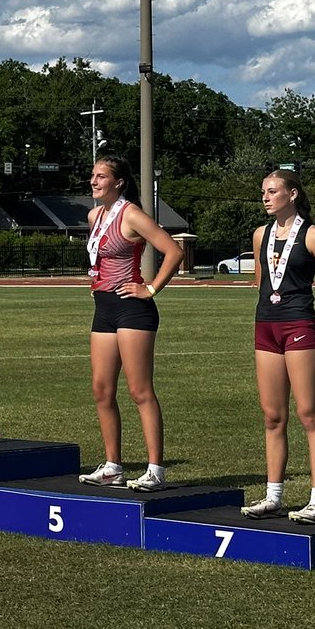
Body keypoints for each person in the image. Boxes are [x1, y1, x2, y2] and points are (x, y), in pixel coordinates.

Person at [240, 170, 315, 524]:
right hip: (266, 327)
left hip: (300, 326)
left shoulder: (313, 235)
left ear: (293, 194)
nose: (266, 197)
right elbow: (262, 283)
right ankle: (273, 497)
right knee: (272, 416)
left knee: (309, 415)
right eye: (263, 192)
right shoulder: (260, 235)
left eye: (272, 191)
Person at [78, 154, 183, 491]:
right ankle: (112, 466)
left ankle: (155, 469)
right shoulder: (95, 215)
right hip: (104, 308)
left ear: (119, 182)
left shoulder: (132, 214)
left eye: (101, 176)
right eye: (92, 176)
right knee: (101, 389)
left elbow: (174, 250)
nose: (94, 181)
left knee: (139, 390)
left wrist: (150, 288)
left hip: (132, 309)